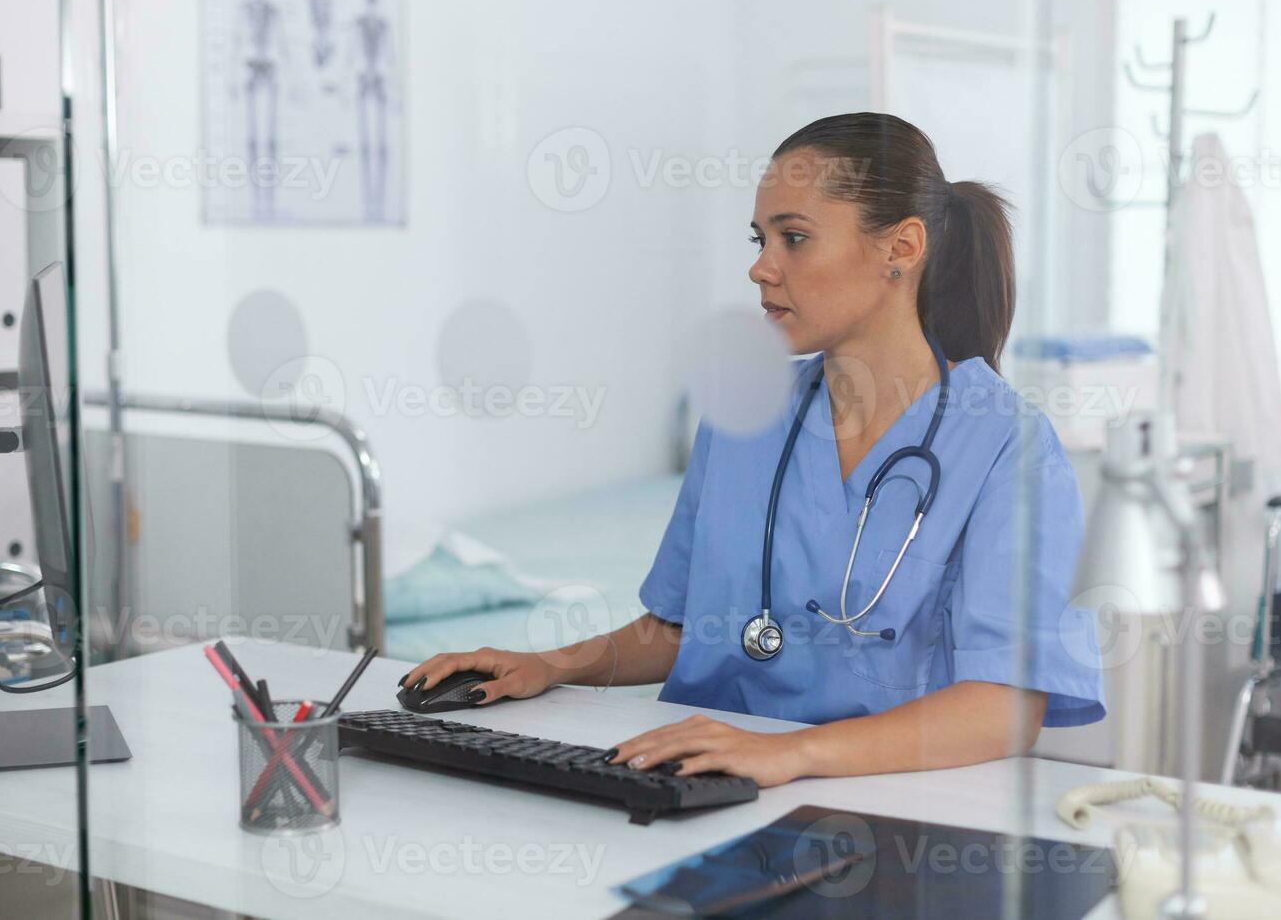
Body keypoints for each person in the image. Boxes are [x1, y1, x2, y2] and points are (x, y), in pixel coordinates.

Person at [402, 113, 1103, 787]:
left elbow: (1004, 708)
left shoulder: (1005, 444)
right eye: (758, 239)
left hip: (885, 799)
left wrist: (790, 752)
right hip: (712, 781)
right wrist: (551, 664)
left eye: (793, 238)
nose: (761, 269)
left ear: (902, 248)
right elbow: (685, 627)